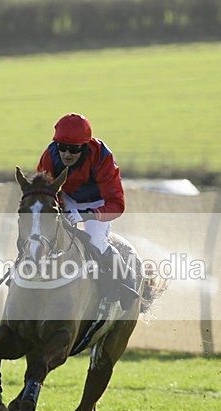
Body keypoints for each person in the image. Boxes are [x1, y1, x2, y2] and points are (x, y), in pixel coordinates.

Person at [36, 113, 139, 307]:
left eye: (73, 149)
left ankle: (126, 279)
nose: (66, 154)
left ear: (85, 146)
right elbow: (45, 192)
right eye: (62, 148)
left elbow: (117, 204)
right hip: (67, 199)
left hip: (98, 203)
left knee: (95, 241)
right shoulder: (49, 156)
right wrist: (60, 208)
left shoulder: (102, 157)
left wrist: (86, 215)